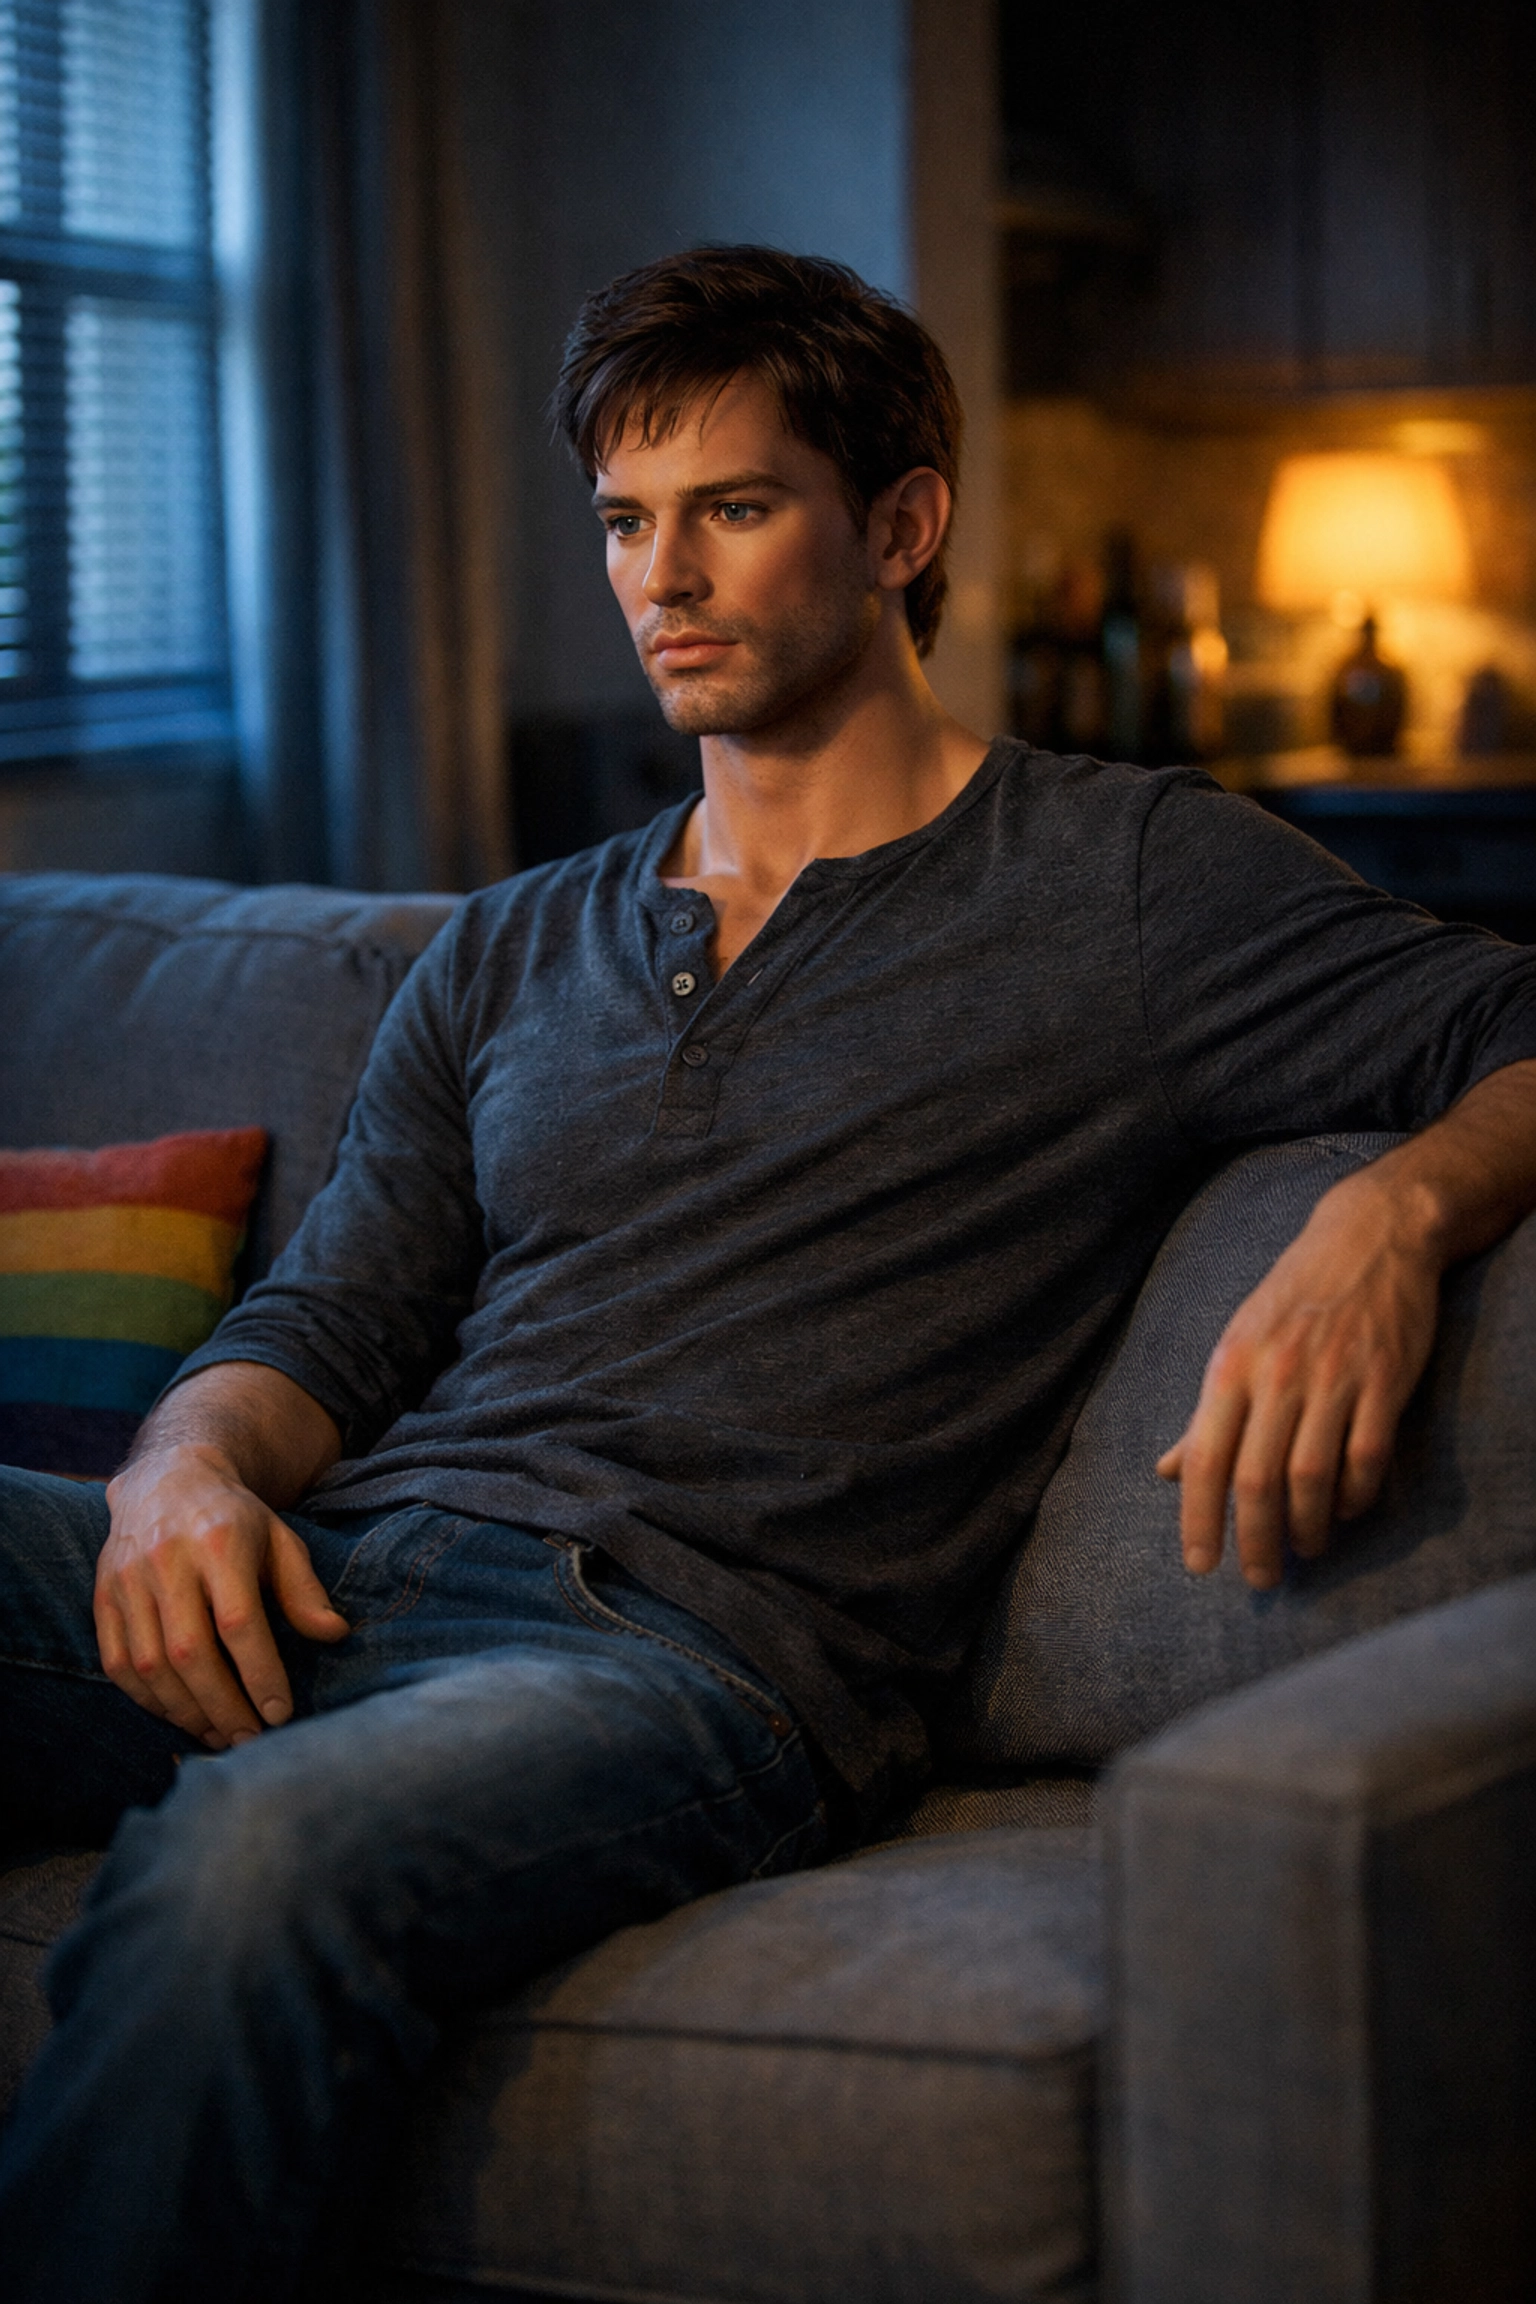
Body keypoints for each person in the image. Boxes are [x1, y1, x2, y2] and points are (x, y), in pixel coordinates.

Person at [3, 244, 1536, 2298]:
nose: (663, 578)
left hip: (673, 1659)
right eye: (628, 522)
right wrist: (183, 1466)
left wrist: (1393, 1213)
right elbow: (333, 1316)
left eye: (732, 507)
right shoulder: (507, 944)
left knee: (249, 1863)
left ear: (901, 527)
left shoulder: (1126, 882)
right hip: (342, 1568)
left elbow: (1507, 1026)